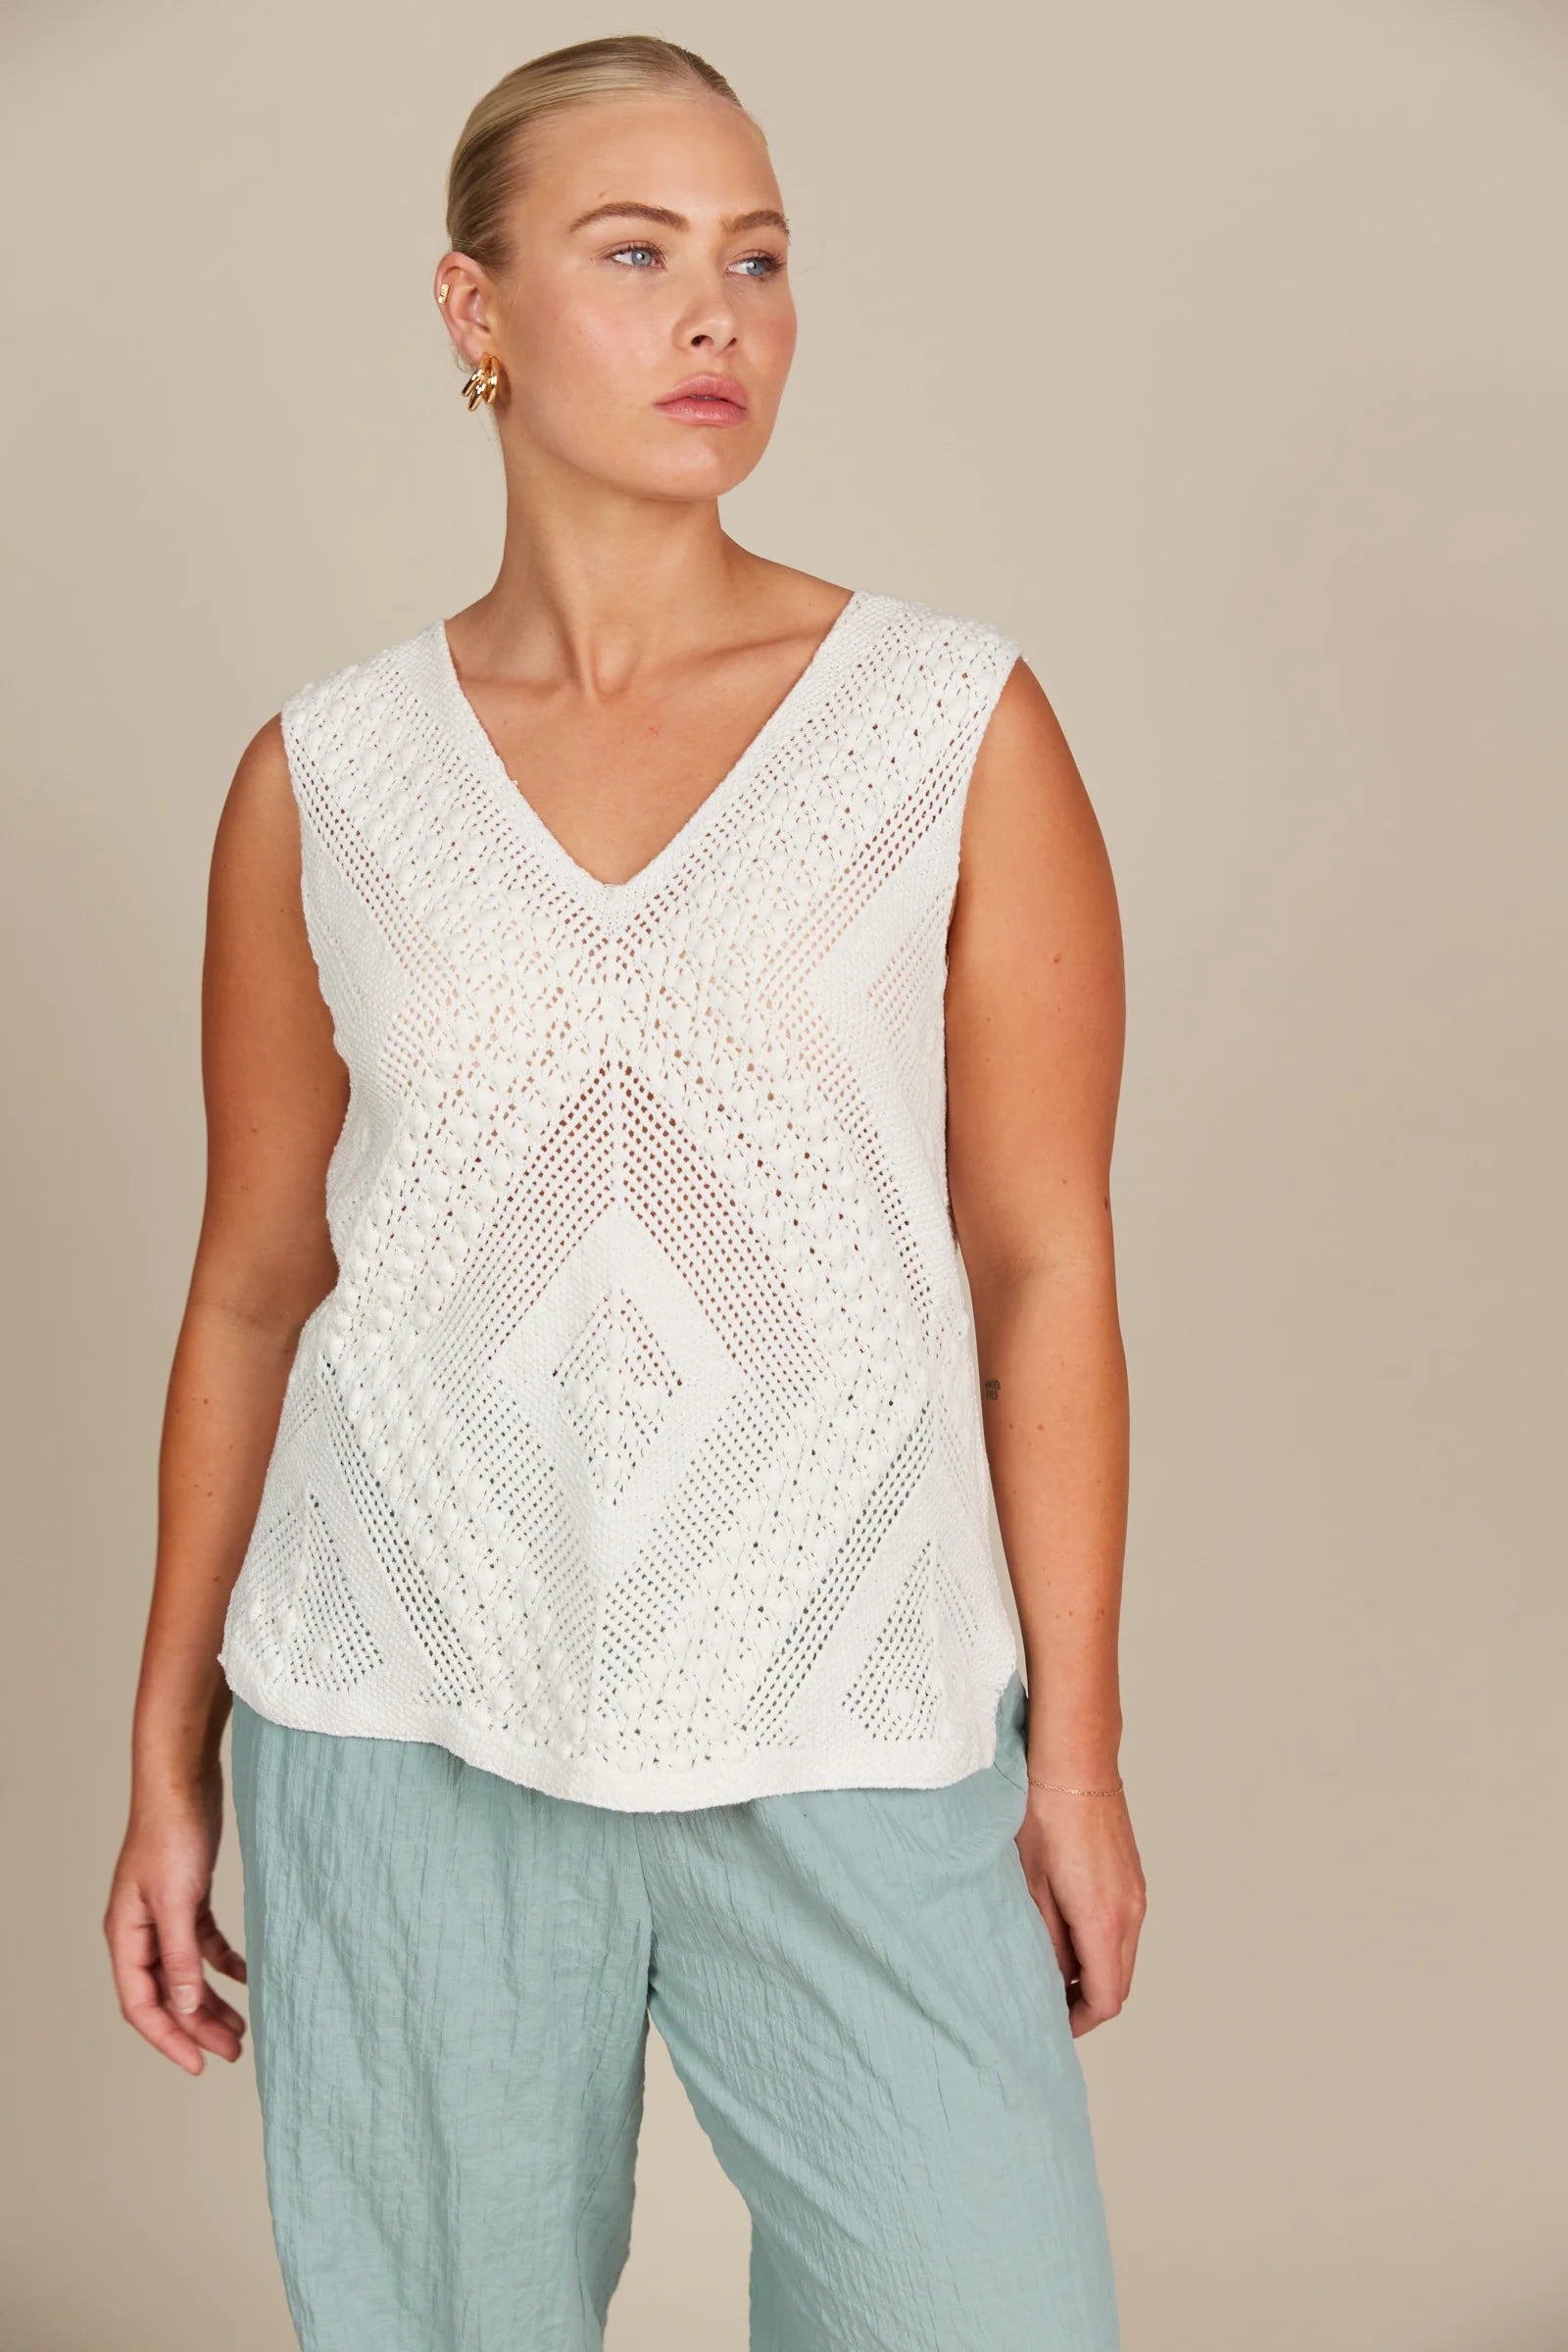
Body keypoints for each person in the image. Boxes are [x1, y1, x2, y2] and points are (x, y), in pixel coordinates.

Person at [104, 33, 1144, 2352]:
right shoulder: (322, 776)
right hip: (398, 1725)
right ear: (471, 309)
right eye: (637, 252)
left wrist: (1070, 1755)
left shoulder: (948, 726)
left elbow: (1041, 1266)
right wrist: (166, 1761)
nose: (716, 317)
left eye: (756, 260)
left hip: (853, 1710)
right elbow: (257, 1286)